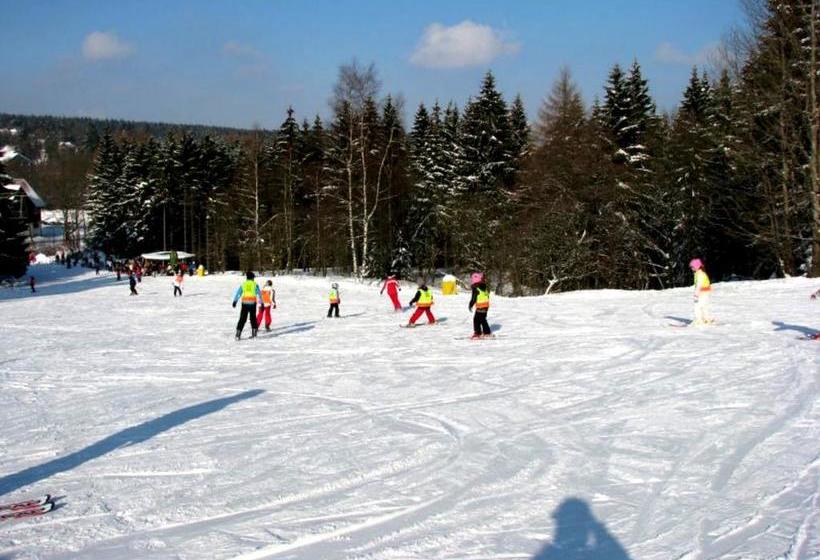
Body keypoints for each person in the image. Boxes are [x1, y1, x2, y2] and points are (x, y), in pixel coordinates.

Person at [232, 271, 261, 340]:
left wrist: (235, 301)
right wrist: (262, 303)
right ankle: (254, 334)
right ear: (252, 278)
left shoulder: (243, 284)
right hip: (252, 304)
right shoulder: (255, 284)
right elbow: (259, 295)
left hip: (244, 303)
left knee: (242, 318)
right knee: (253, 318)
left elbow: (238, 293)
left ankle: (238, 335)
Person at [690, 258, 713, 325]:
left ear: (696, 267)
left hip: (702, 293)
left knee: (697, 307)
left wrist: (696, 294)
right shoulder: (701, 273)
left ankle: (699, 320)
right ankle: (706, 319)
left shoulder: (699, 274)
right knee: (704, 306)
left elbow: (699, 285)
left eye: (692, 267)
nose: (691, 268)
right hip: (705, 292)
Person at [468, 272, 492, 338]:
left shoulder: (475, 288)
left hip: (480, 306)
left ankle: (478, 332)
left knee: (476, 319)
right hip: (486, 306)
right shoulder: (484, 286)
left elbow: (473, 298)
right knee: (482, 319)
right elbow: (487, 296)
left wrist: (470, 305)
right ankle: (487, 332)